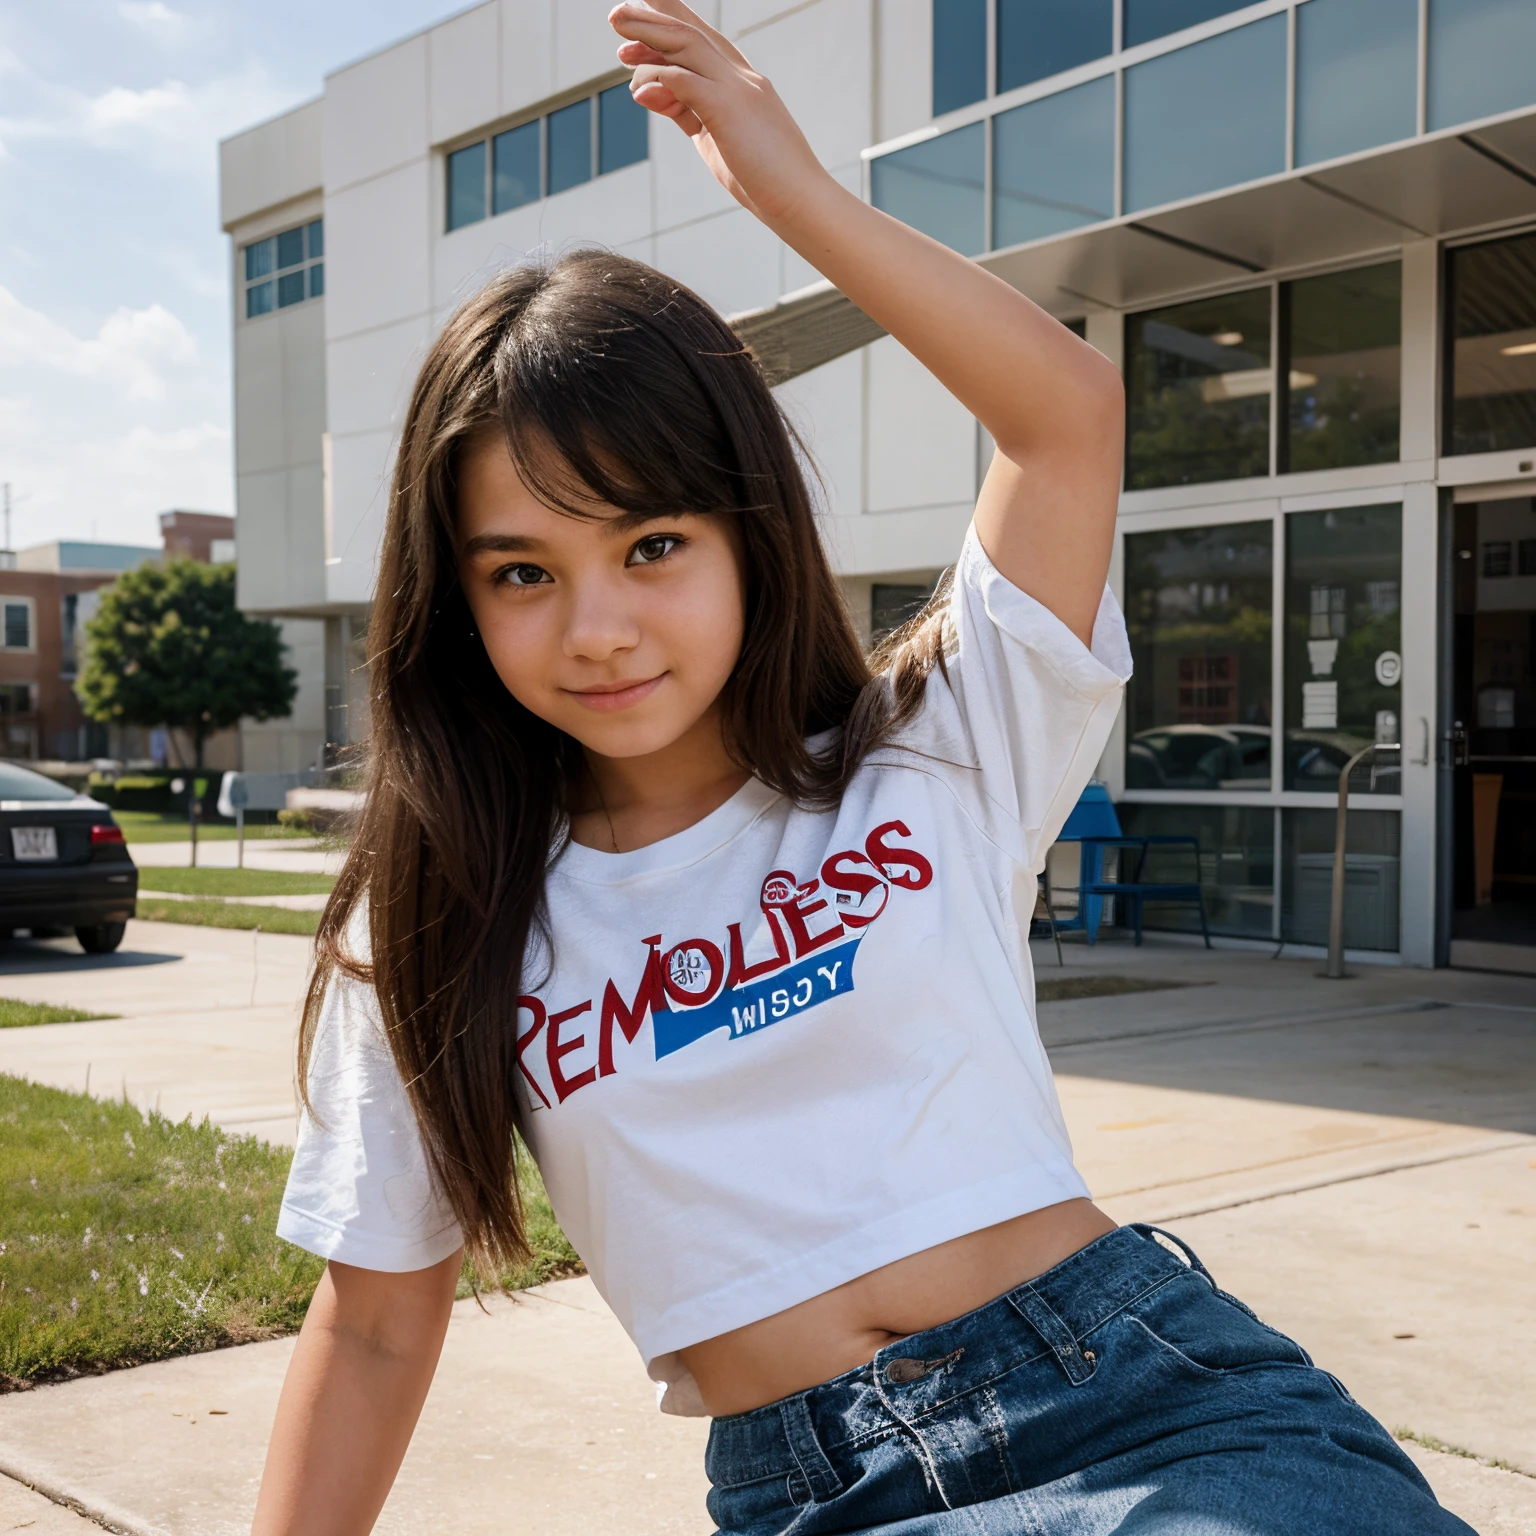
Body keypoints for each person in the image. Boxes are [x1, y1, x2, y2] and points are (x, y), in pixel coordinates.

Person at [251, 4, 1472, 1532]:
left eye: (651, 544)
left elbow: (1068, 414)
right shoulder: (445, 916)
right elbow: (370, 1325)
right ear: (455, 595)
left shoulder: (939, 740)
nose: (600, 628)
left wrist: (792, 196)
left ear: (747, 535)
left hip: (1151, 1405)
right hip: (822, 1491)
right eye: (521, 572)